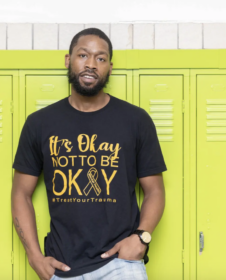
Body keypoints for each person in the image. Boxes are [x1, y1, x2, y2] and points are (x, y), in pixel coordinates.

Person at [11, 27, 167, 280]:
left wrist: (141, 238)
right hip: (62, 267)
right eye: (83, 55)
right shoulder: (40, 123)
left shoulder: (135, 120)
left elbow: (155, 190)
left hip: (121, 264)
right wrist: (34, 257)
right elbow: (21, 193)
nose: (91, 64)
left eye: (100, 58)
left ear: (110, 67)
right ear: (68, 60)